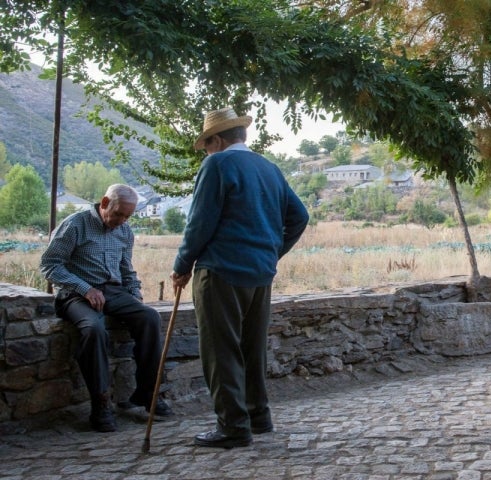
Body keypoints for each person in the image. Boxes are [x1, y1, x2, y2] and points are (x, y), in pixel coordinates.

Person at [170, 107, 309, 448]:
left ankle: (233, 427)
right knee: (252, 347)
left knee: (221, 351)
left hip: (221, 272)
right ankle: (258, 416)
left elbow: (199, 223)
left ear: (217, 139)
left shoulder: (217, 165)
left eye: (207, 144)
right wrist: (271, 251)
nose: (206, 150)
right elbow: (300, 216)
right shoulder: (269, 168)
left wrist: (182, 264)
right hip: (260, 275)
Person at [40, 184, 173, 432]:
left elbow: (126, 270)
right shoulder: (75, 225)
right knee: (94, 329)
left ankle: (147, 393)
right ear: (104, 203)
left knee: (149, 317)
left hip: (112, 292)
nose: (122, 221)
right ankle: (100, 403)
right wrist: (85, 289)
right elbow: (50, 265)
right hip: (76, 295)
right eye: (118, 214)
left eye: (127, 216)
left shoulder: (124, 232)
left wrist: (135, 296)